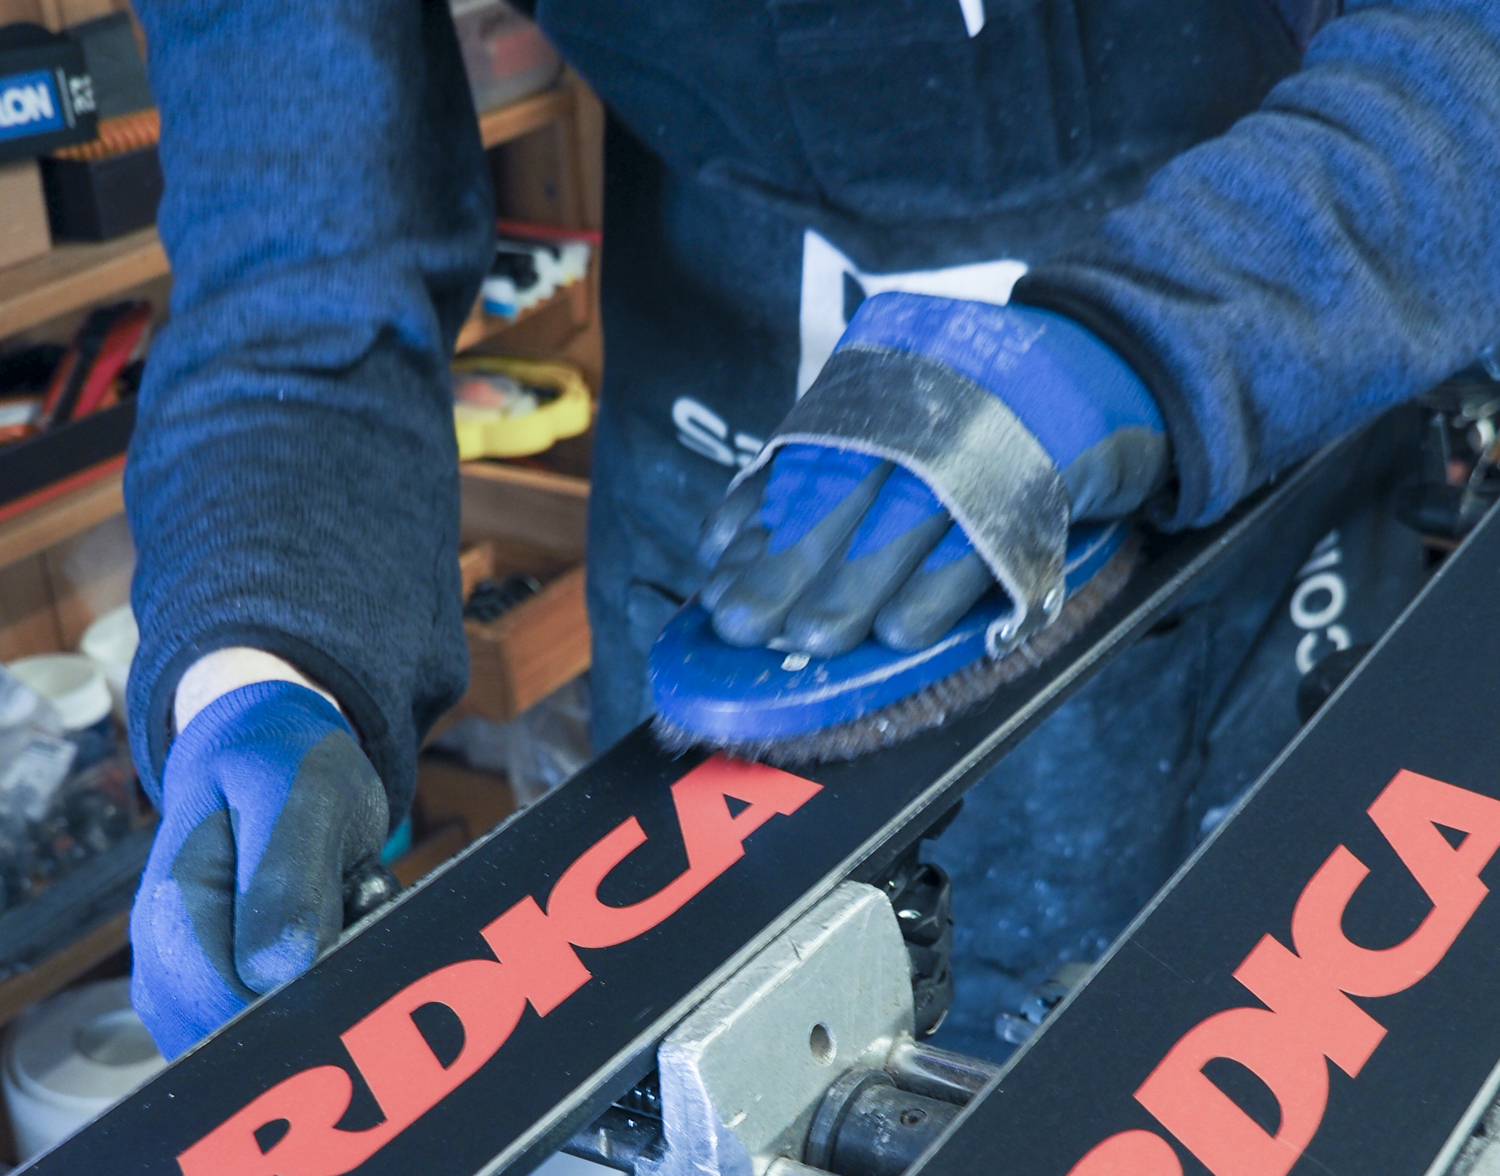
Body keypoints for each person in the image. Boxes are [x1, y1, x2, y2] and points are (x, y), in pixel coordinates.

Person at [124, 0, 1498, 1059]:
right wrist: (259, 667)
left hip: (1262, 366)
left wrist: (1164, 337)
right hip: (729, 526)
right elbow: (294, 279)